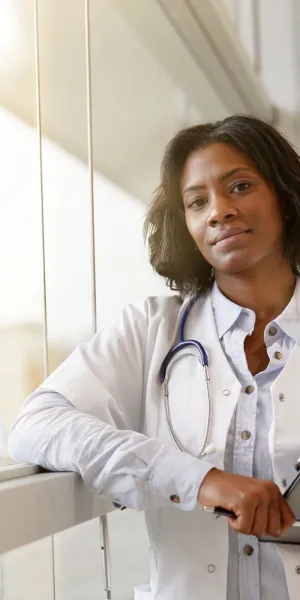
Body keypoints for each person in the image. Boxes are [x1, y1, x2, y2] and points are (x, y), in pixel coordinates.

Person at [9, 114, 300, 600]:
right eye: (197, 201)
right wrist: (198, 479)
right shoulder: (152, 329)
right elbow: (36, 424)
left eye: (241, 186)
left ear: (286, 201)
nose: (219, 212)